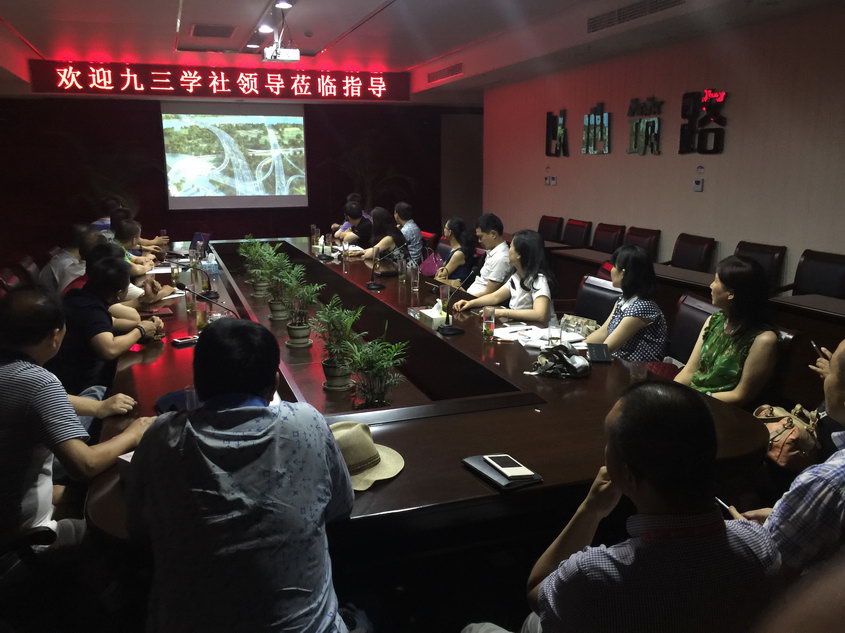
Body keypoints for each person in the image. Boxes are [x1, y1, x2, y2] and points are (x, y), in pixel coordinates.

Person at [464, 381, 781, 633]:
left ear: (626, 475)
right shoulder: (759, 543)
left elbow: (537, 590)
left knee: (477, 628)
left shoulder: (593, 575)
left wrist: (591, 509)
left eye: (609, 444)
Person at [126, 318, 354, 633]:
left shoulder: (162, 437)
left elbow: (138, 527)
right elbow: (341, 506)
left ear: (197, 382)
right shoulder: (307, 424)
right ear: (274, 383)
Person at [0, 287, 153, 548]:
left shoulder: (17, 375)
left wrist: (99, 408)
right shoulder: (39, 383)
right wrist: (134, 433)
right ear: (55, 336)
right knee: (123, 522)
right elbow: (85, 465)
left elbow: (33, 399)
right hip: (27, 536)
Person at [743, 338, 845, 579]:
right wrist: (785, 515)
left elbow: (767, 568)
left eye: (831, 371)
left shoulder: (826, 481)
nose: (825, 376)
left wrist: (743, 530)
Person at [46, 257, 162, 395]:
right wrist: (140, 330)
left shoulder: (80, 296)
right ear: (119, 293)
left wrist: (146, 325)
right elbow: (109, 350)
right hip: (79, 388)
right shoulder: (91, 310)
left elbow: (115, 323)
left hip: (69, 376)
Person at [674, 255, 779, 407]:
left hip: (719, 408)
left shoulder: (763, 340)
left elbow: (740, 395)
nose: (711, 286)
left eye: (716, 281)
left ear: (731, 294)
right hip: (692, 398)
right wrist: (673, 393)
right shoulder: (714, 321)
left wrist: (694, 399)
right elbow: (689, 371)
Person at [584, 245, 667, 361]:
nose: (611, 270)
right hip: (619, 362)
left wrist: (579, 356)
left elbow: (608, 348)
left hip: (637, 369)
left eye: (614, 266)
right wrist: (575, 347)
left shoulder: (642, 307)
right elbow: (603, 332)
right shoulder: (623, 299)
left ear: (623, 273)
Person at [454, 230, 553, 324]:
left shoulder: (539, 279)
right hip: (522, 327)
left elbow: (540, 314)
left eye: (511, 247)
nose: (508, 250)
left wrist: (503, 312)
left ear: (519, 254)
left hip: (543, 332)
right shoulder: (517, 276)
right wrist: (470, 303)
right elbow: (495, 297)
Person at [39, 223, 102, 294]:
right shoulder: (67, 265)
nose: (95, 247)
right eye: (93, 242)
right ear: (83, 241)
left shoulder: (66, 256)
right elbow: (75, 293)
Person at [465, 213, 511, 297]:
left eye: (480, 237)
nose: (479, 241)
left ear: (493, 234)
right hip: (470, 296)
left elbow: (489, 294)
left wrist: (465, 298)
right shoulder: (491, 251)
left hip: (477, 301)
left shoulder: (501, 258)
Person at [434, 217, 477, 288]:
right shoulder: (454, 249)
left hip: (456, 290)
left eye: (445, 228)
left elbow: (441, 276)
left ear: (450, 232)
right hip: (447, 287)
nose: (444, 230)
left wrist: (439, 270)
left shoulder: (458, 254)